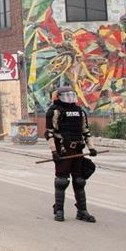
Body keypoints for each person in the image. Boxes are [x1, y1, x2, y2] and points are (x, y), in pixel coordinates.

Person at [45, 85, 96, 222]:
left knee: (79, 181)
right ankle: (59, 211)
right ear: (58, 97)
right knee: (61, 181)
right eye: (66, 95)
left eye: (71, 95)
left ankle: (82, 211)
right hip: (63, 150)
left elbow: (86, 131)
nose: (69, 98)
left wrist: (91, 148)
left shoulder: (80, 111)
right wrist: (54, 152)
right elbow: (49, 133)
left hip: (78, 150)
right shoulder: (55, 111)